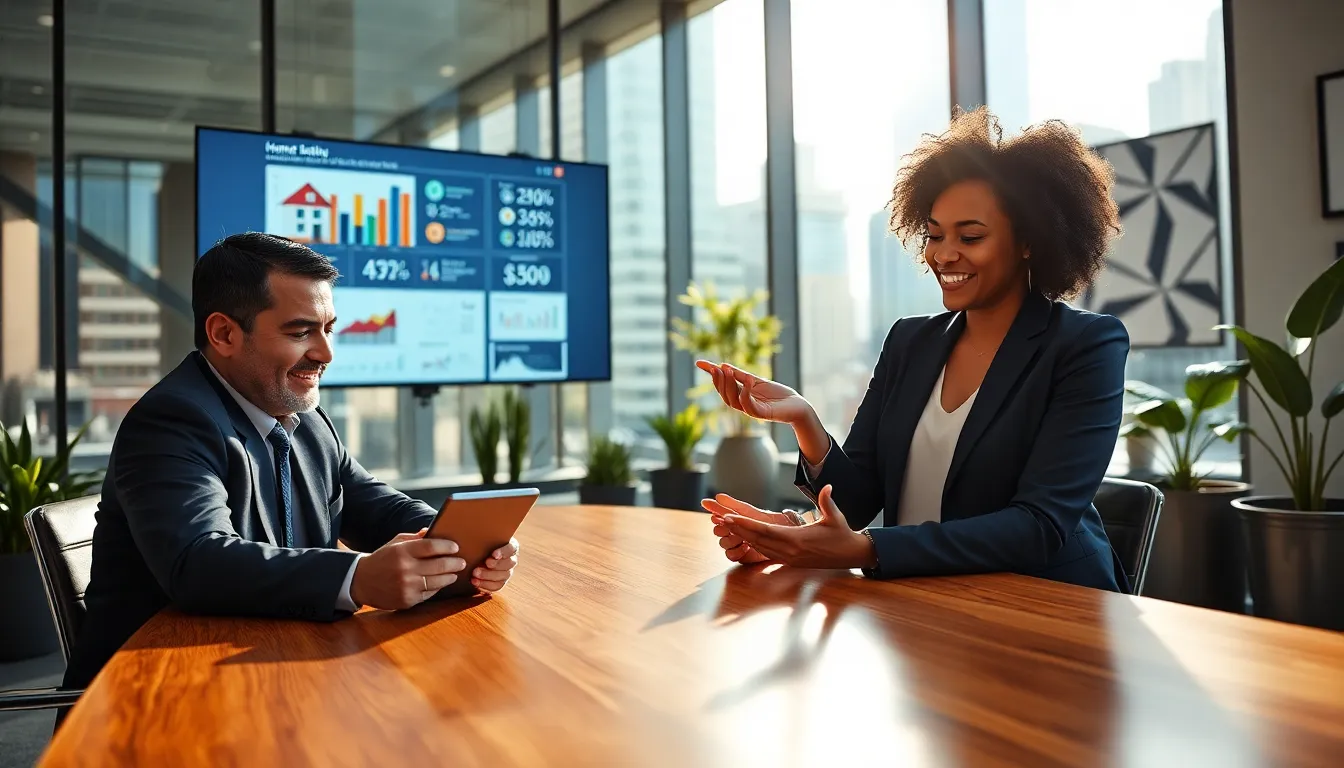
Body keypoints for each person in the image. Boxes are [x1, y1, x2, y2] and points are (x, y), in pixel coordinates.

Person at [699, 106, 1131, 592]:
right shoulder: (911, 341)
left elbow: (1039, 526)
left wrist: (868, 549)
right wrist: (805, 424)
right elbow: (859, 499)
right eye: (935, 234)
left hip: (1049, 603)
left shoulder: (1087, 345)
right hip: (926, 601)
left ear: (1030, 240)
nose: (944, 254)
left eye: (971, 236)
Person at [63, 233, 520, 689]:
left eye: (329, 329)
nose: (325, 353)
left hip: (277, 670)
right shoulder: (171, 420)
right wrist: (357, 577)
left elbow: (375, 505)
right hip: (156, 695)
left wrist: (459, 541)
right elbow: (197, 562)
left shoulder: (305, 418)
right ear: (224, 333)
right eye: (300, 332)